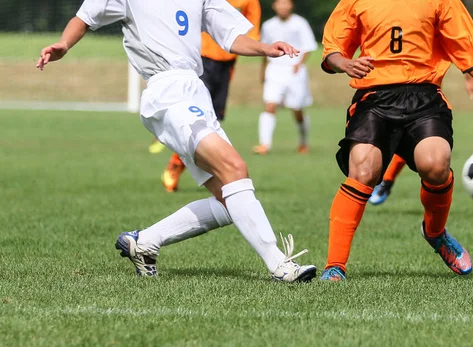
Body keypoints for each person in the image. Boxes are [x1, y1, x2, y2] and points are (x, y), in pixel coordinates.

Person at [38, 0, 317, 283]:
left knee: (229, 199)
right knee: (234, 167)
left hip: (196, 91)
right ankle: (280, 265)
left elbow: (230, 35)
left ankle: (145, 242)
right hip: (166, 92)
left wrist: (264, 48)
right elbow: (84, 18)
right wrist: (63, 44)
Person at [319, 0, 473, 281]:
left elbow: (465, 46)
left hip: (424, 97)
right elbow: (332, 50)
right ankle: (335, 265)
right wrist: (345, 63)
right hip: (375, 98)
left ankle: (436, 233)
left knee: (436, 165)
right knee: (363, 171)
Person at [162, 0, 262, 192]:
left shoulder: (250, 1)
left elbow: (252, 30)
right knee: (197, 117)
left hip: (227, 62)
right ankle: (177, 163)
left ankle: (200, 166)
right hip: (202, 59)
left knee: (213, 118)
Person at [369, 74, 473, 205]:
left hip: (425, 92)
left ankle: (386, 182)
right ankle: (385, 181)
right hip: (386, 88)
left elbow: (459, 52)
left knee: (418, 140)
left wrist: (470, 77)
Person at [252, 0, 318, 155]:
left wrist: (299, 64)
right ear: (274, 6)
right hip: (274, 69)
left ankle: (303, 142)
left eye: (285, 3)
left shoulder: (300, 23)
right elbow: (264, 49)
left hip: (294, 70)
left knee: (297, 109)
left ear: (291, 5)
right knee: (270, 105)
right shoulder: (268, 25)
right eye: (279, 3)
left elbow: (308, 46)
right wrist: (263, 70)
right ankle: (264, 144)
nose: (283, 7)